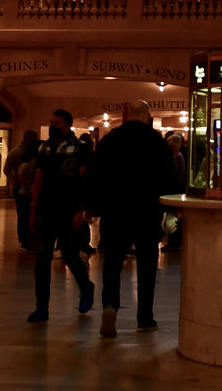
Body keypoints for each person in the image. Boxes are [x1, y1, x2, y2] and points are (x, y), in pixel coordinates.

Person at [84, 101, 177, 337]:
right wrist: (172, 211)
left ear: (126, 115)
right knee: (147, 266)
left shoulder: (110, 140)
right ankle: (145, 318)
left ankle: (110, 307)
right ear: (148, 117)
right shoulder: (157, 142)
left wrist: (90, 206)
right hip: (147, 213)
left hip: (115, 212)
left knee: (112, 264)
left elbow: (95, 174)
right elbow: (169, 178)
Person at [28, 109, 95, 324]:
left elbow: (85, 179)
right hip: (47, 209)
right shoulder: (45, 148)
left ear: (67, 124)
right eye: (51, 121)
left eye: (56, 122)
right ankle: (42, 306)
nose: (52, 125)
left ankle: (86, 287)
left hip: (68, 209)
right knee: (42, 259)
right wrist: (33, 210)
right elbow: (39, 179)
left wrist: (81, 210)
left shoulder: (80, 148)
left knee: (70, 255)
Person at [4, 130, 39, 251]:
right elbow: (7, 169)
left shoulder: (33, 152)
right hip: (21, 186)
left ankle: (30, 238)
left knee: (28, 213)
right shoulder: (16, 152)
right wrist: (15, 181)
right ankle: (24, 238)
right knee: (23, 214)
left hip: (29, 186)